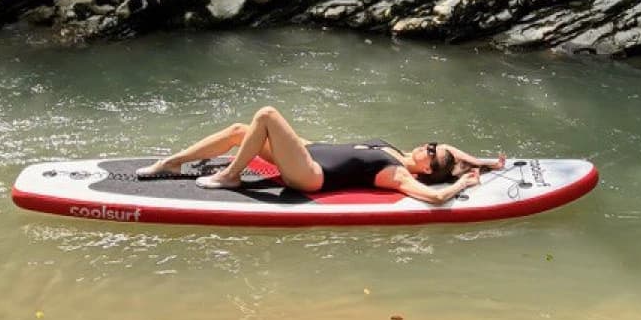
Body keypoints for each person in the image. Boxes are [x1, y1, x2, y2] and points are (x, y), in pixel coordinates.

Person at [134, 106, 504, 205]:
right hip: (307, 151)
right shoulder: (396, 149)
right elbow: (452, 152)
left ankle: (230, 176)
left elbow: (436, 197)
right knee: (238, 131)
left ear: (427, 170)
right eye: (434, 144)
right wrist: (487, 165)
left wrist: (463, 183)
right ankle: (173, 162)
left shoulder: (398, 173)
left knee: (266, 115)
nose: (431, 147)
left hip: (310, 173)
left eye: (433, 155)